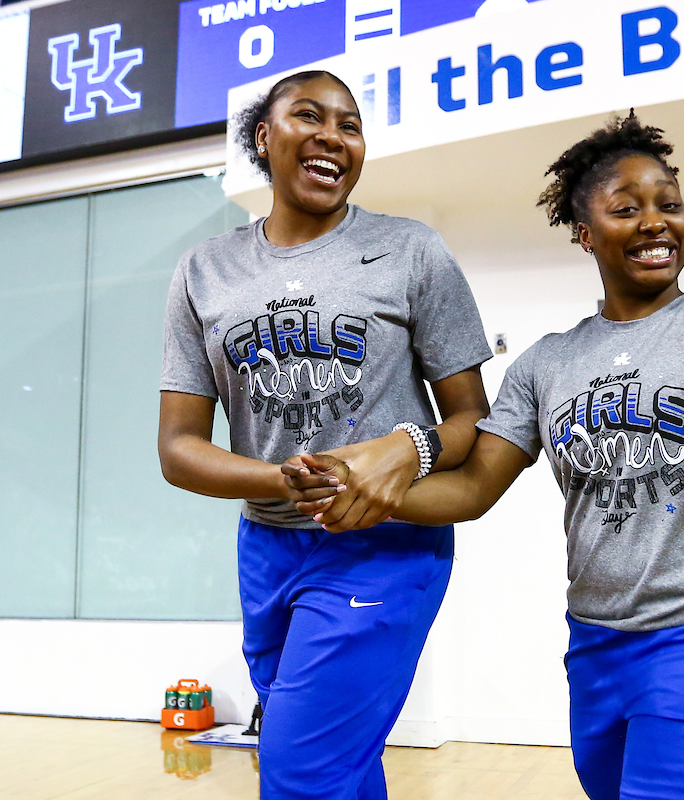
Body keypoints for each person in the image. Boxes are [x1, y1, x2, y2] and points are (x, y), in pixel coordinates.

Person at [294, 114, 684, 799]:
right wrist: (363, 492)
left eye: (670, 205)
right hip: (596, 647)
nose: (656, 221)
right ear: (585, 232)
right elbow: (475, 487)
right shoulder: (545, 363)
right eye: (627, 208)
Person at [156, 70, 493, 799]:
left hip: (383, 547)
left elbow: (474, 418)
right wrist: (290, 479)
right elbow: (178, 449)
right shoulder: (203, 271)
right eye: (309, 116)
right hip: (267, 549)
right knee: (330, 759)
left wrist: (407, 449)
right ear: (263, 138)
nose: (332, 137)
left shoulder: (410, 251)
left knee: (300, 766)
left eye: (350, 125)